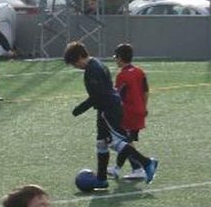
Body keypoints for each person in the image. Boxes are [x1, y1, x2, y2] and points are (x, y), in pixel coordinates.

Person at [64, 41, 158, 189]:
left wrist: (79, 109)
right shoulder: (96, 64)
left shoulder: (92, 70)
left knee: (116, 142)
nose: (76, 67)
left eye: (75, 63)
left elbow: (98, 96)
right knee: (101, 143)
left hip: (109, 109)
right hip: (105, 108)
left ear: (81, 57)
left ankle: (146, 163)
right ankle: (101, 180)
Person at [110, 43, 149, 181]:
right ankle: (120, 168)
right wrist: (144, 107)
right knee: (128, 141)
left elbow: (118, 98)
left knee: (123, 142)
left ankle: (137, 168)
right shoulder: (140, 72)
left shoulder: (122, 76)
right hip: (139, 111)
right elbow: (145, 91)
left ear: (120, 58)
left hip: (128, 113)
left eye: (116, 58)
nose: (115, 60)